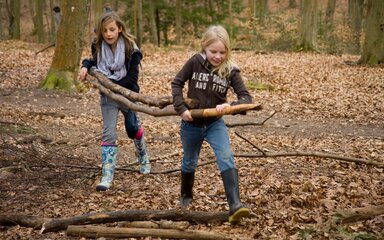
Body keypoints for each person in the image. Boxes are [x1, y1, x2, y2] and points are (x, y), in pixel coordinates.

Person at [171, 25, 252, 224]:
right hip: (192, 124)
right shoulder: (195, 62)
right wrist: (182, 109)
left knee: (226, 157)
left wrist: (230, 105)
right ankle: (186, 197)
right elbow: (177, 83)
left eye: (222, 52)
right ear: (204, 48)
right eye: (213, 51)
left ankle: (235, 205)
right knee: (190, 161)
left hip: (215, 124)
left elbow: (246, 98)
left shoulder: (230, 70)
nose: (217, 56)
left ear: (228, 51)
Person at [79, 11, 151, 191]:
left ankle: (143, 157)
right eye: (105, 31)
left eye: (112, 29)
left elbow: (132, 78)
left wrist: (111, 84)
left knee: (133, 129)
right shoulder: (98, 45)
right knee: (109, 133)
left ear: (120, 29)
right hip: (108, 96)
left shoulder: (131, 49)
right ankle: (107, 176)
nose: (109, 34)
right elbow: (93, 61)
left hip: (128, 94)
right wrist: (85, 66)